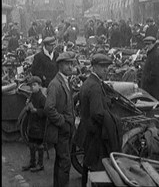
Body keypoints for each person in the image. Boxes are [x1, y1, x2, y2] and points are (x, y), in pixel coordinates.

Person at [74, 53, 122, 187]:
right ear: (94, 67)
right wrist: (113, 120)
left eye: (107, 66)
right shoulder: (95, 86)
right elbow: (97, 113)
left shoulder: (89, 82)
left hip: (88, 130)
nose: (106, 69)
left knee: (87, 164)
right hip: (96, 133)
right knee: (96, 167)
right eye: (102, 67)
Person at [44, 51, 76, 187]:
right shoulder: (55, 84)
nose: (70, 67)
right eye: (67, 64)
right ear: (60, 66)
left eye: (71, 64)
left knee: (60, 161)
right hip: (61, 130)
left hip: (65, 129)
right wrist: (62, 121)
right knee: (64, 163)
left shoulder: (64, 81)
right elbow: (48, 108)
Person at [22, 76, 47, 172]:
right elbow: (29, 110)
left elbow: (46, 111)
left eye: (34, 85)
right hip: (32, 125)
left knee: (39, 145)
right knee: (31, 144)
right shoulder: (32, 96)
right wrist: (28, 108)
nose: (32, 87)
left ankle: (40, 164)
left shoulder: (42, 98)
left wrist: (36, 110)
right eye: (31, 85)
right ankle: (32, 162)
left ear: (40, 86)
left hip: (40, 126)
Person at [141, 36, 159, 101]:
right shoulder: (151, 53)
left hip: (153, 88)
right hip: (151, 87)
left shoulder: (155, 55)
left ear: (154, 44)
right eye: (146, 44)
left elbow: (155, 73)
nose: (147, 46)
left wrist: (146, 80)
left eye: (149, 44)